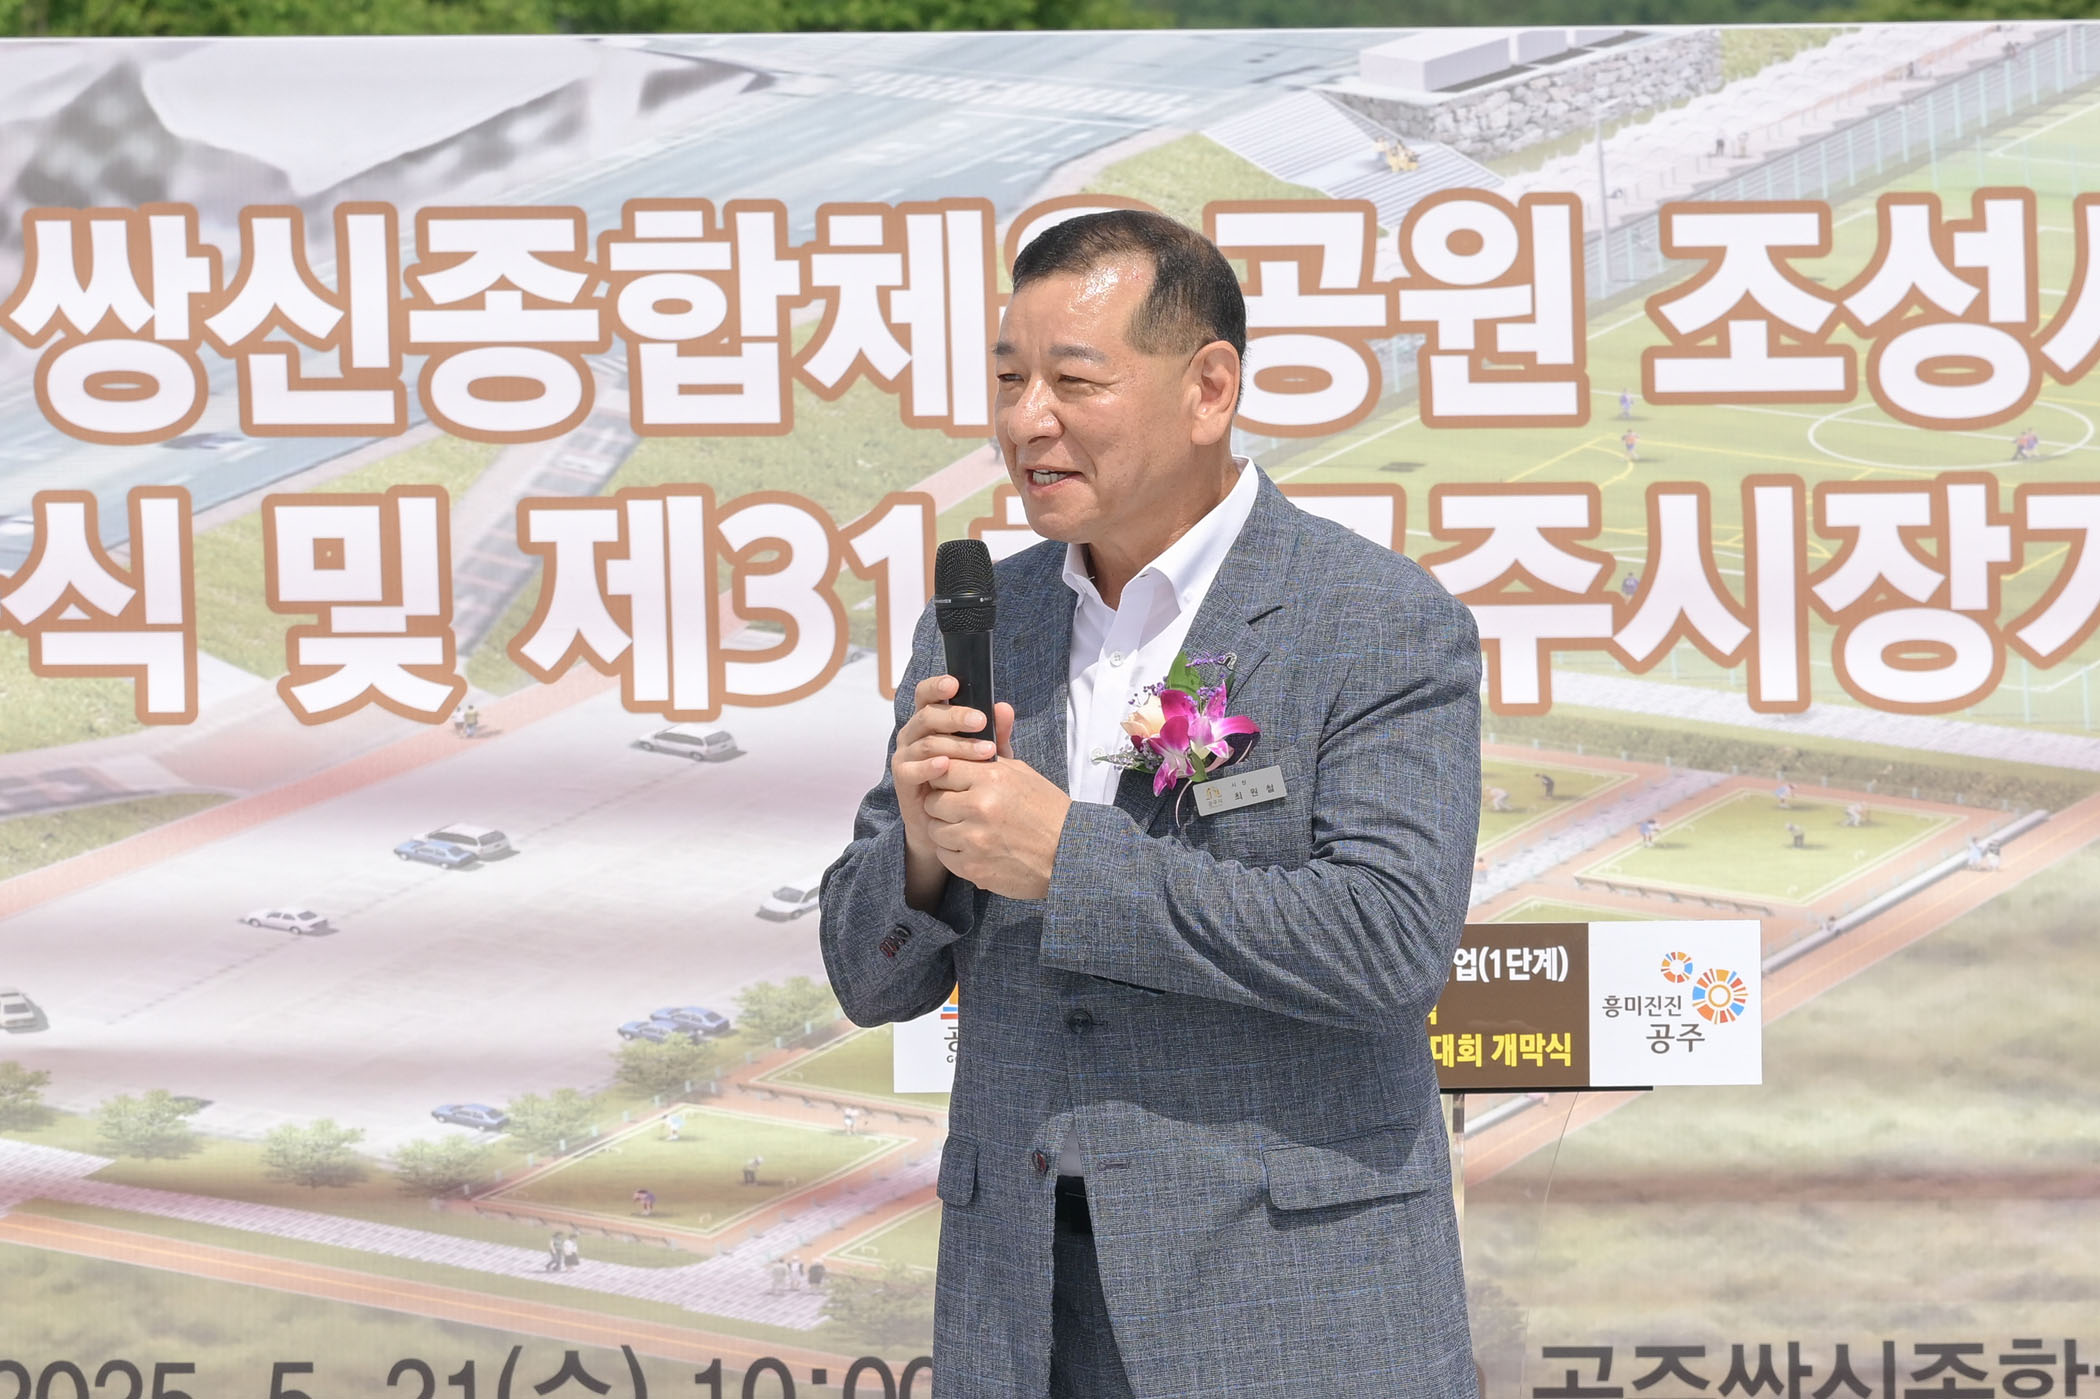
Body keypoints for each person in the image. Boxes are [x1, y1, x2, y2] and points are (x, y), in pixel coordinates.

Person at [818, 210, 1480, 1398]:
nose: (1028, 421)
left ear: (1209, 388)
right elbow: (870, 978)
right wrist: (919, 851)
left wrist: (1066, 859)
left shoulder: (1372, 618)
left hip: (1291, 1305)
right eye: (1010, 380)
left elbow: (1387, 942)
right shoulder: (982, 623)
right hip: (1027, 1305)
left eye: (1075, 381)